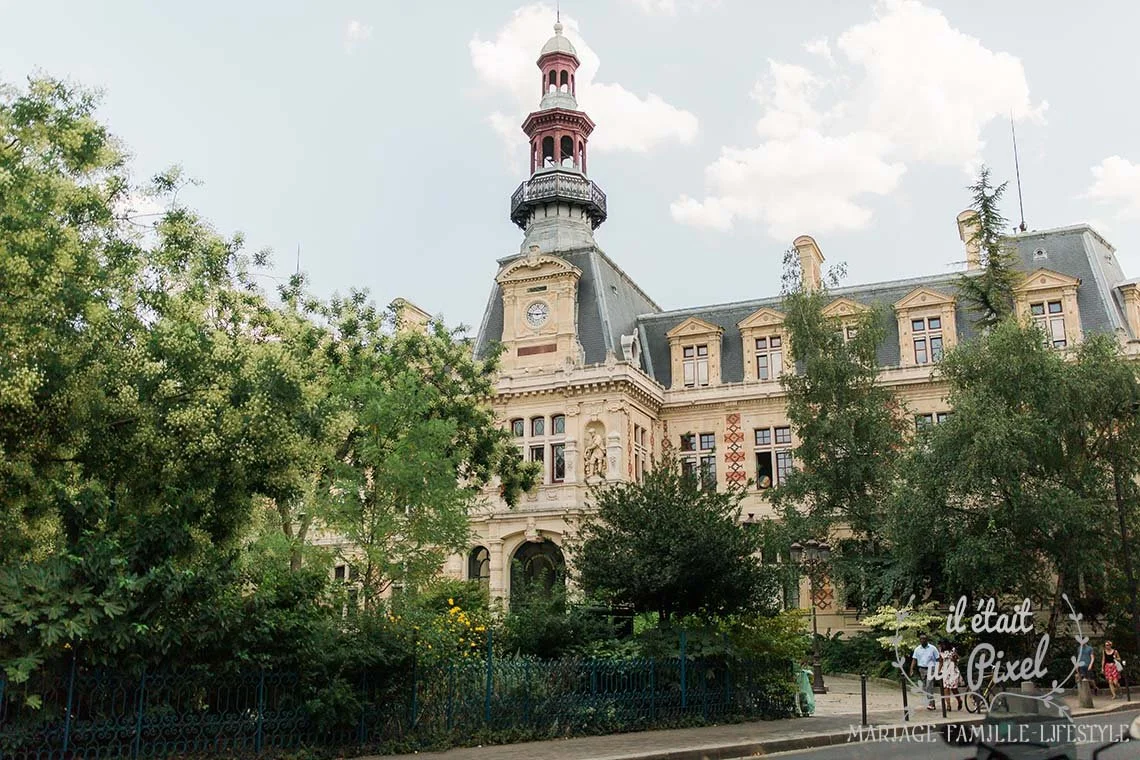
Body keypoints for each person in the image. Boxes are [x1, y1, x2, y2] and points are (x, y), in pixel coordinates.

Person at [910, 633, 940, 710]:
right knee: (925, 687)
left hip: (931, 668)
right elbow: (914, 659)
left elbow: (938, 659)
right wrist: (911, 669)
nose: (923, 640)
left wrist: (938, 669)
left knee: (929, 685)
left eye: (924, 639)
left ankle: (931, 704)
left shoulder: (932, 648)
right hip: (922, 669)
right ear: (919, 640)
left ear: (927, 640)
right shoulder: (917, 649)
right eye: (921, 639)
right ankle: (932, 702)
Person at [939, 640, 964, 711]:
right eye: (942, 644)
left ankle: (959, 700)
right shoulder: (941, 652)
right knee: (946, 688)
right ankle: (948, 705)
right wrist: (938, 671)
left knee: (954, 688)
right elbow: (941, 662)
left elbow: (957, 660)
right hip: (945, 671)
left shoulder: (953, 650)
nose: (942, 646)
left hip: (953, 671)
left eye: (943, 644)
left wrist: (955, 659)